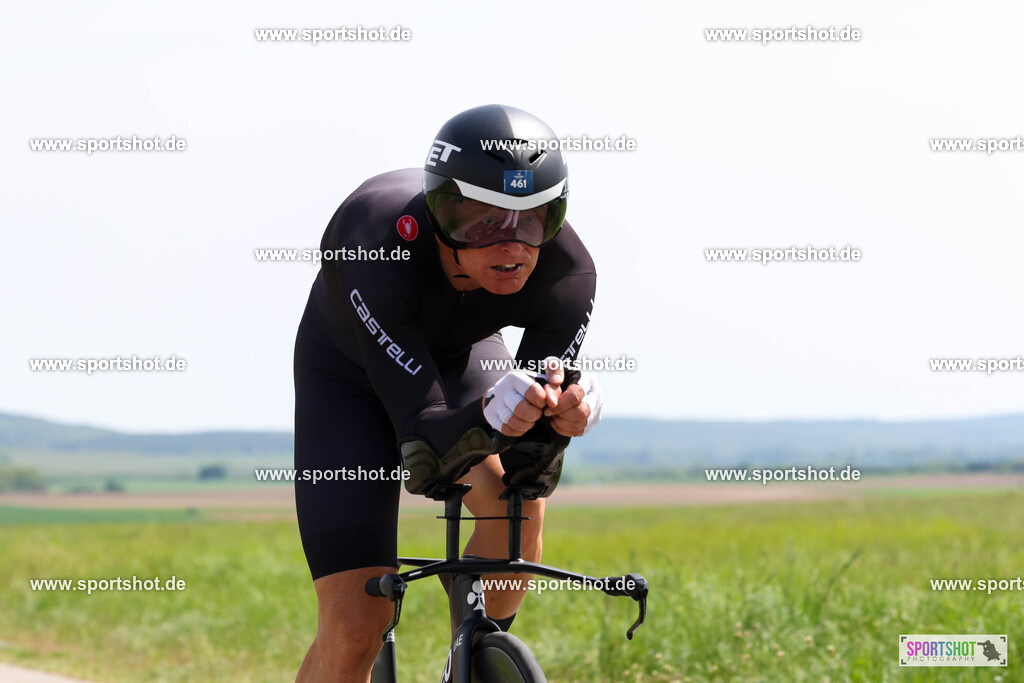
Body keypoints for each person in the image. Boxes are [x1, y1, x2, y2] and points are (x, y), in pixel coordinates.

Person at [293, 104, 603, 681]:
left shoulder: (567, 272)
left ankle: (474, 652)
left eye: (535, 219)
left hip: (457, 358)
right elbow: (425, 452)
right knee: (359, 621)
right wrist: (494, 413)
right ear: (440, 213)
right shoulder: (374, 240)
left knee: (517, 499)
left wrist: (557, 419)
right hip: (346, 380)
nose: (511, 246)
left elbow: (525, 459)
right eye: (482, 222)